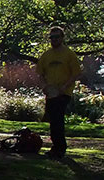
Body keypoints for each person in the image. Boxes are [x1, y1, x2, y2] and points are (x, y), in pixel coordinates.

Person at [36, 26, 82, 159]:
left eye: (57, 37)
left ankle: (60, 149)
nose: (54, 40)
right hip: (51, 93)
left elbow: (76, 74)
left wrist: (64, 86)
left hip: (63, 93)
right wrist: (45, 86)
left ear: (62, 38)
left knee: (57, 120)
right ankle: (56, 147)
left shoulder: (69, 54)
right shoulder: (46, 55)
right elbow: (40, 74)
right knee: (52, 120)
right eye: (52, 37)